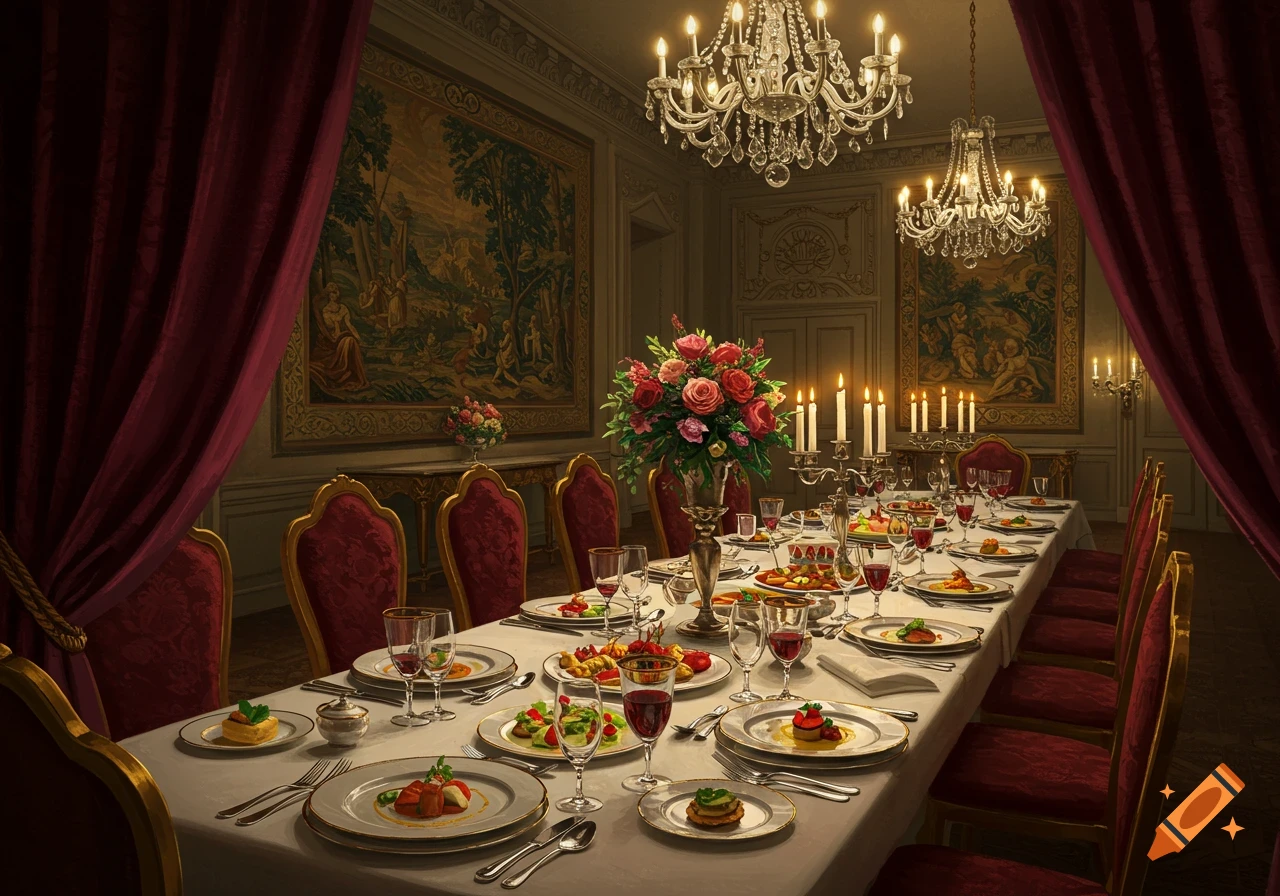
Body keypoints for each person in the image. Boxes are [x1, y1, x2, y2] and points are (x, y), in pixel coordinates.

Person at [312, 284, 368, 390]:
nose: (333, 295)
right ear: (328, 295)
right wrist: (332, 337)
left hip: (342, 336)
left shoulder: (343, 308)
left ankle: (353, 375)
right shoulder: (325, 310)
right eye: (331, 293)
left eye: (335, 292)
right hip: (331, 339)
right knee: (348, 342)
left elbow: (349, 325)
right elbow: (327, 329)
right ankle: (341, 372)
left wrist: (358, 338)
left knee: (351, 340)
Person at [492, 319, 520, 387]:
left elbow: (502, 346)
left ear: (506, 328)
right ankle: (494, 379)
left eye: (503, 327)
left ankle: (516, 383)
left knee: (502, 367)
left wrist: (500, 343)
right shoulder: (511, 335)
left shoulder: (508, 335)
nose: (503, 328)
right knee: (501, 368)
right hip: (509, 353)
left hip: (506, 355)